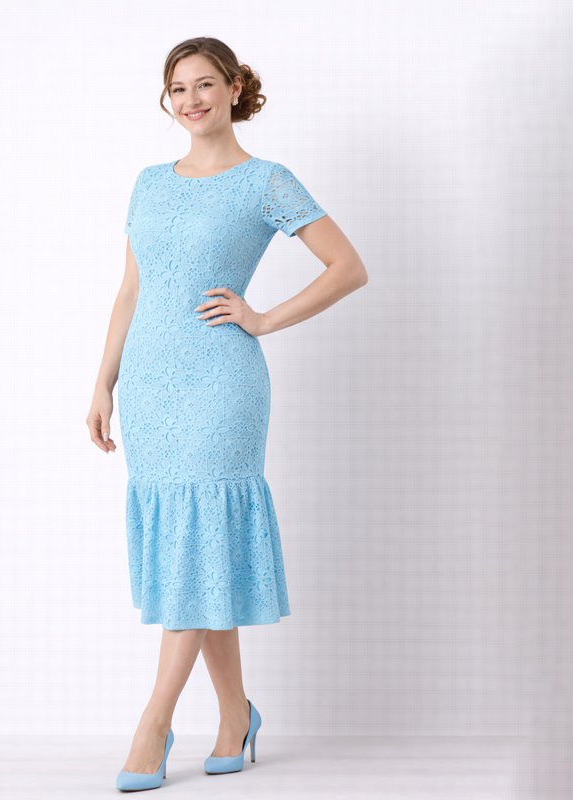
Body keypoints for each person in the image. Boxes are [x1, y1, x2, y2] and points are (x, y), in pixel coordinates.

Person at [86, 36, 368, 792]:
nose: (191, 100)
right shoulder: (149, 183)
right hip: (149, 387)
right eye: (177, 88)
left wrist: (264, 318)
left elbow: (348, 267)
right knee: (198, 552)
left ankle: (154, 723)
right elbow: (131, 291)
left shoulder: (266, 181)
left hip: (221, 382)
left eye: (205, 84)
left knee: (197, 541)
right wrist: (103, 382)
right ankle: (237, 715)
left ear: (236, 87)